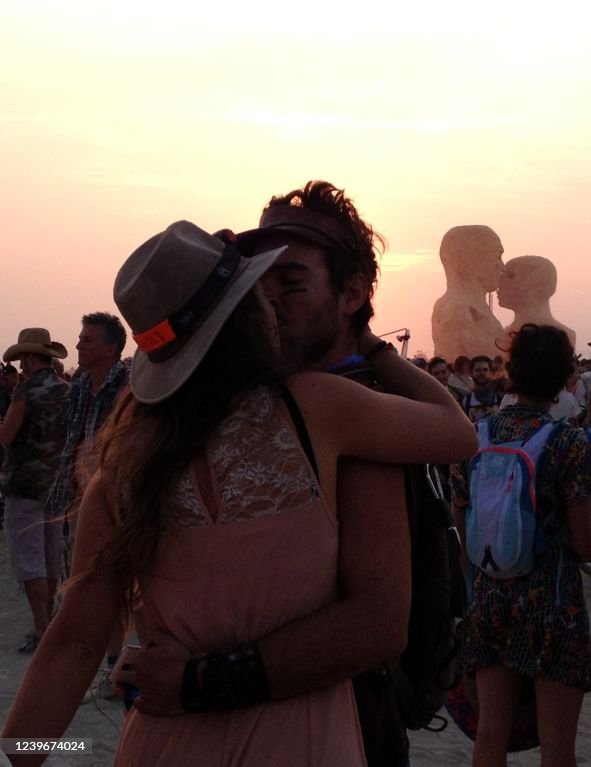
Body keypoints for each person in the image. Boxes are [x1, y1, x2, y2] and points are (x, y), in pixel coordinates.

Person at [0, 221, 477, 766]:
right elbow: (456, 432)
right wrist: (366, 340)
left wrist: (34, 748)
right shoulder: (317, 407)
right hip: (302, 745)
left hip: (161, 746)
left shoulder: (125, 464)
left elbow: (75, 646)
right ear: (246, 315)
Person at [451, 324, 591, 766]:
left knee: (490, 735)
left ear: (511, 371)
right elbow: (583, 540)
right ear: (562, 378)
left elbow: (462, 522)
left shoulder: (476, 434)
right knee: (557, 747)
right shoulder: (568, 442)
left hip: (491, 596)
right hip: (553, 604)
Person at [44, 312, 131, 701]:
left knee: (116, 583)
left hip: (119, 496)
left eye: (87, 340)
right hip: (81, 496)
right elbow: (71, 444)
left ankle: (115, 666)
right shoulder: (79, 388)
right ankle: (102, 668)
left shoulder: (128, 387)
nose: (78, 345)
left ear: (110, 348)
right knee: (83, 582)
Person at [0, 328, 70, 654]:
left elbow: (7, 436)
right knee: (50, 554)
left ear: (29, 357)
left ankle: (42, 631)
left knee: (30, 560)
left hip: (24, 484)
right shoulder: (66, 389)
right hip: (57, 485)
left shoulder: (25, 390)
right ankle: (51, 624)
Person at [431, 224, 506, 362]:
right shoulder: (459, 310)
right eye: (497, 256)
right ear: (474, 259)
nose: (502, 266)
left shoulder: (453, 305)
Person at [496, 255, 576, 350]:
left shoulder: (504, 336)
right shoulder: (503, 334)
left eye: (511, 276)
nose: (499, 282)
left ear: (536, 281)